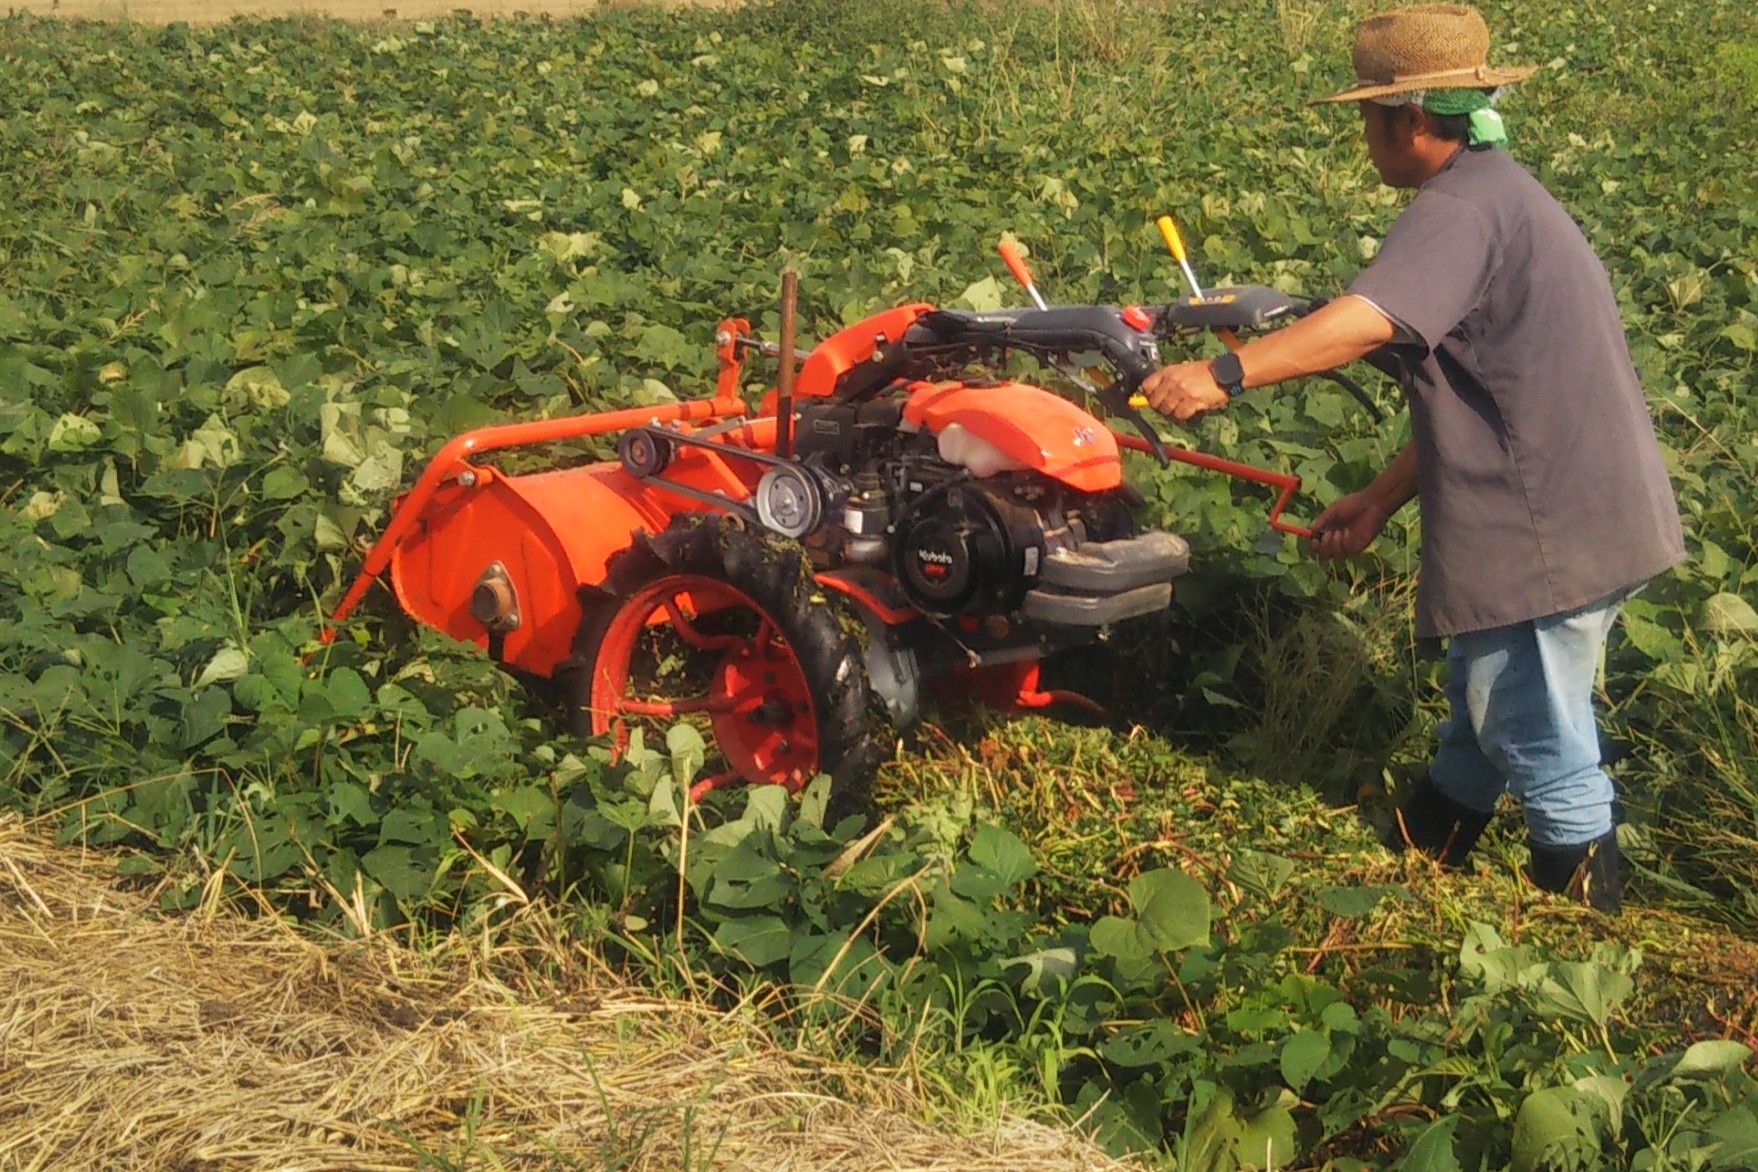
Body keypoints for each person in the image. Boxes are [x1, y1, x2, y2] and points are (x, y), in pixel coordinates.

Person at [1138, 3, 1684, 913]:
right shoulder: (1499, 190)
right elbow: (1485, 389)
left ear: (1412, 120)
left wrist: (1222, 373)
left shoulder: (1460, 211)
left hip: (1547, 533)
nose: (1365, 136)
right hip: (1575, 510)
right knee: (1483, 713)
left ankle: (1591, 964)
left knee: (1542, 739)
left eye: (1367, 116)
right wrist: (1383, 497)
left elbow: (1368, 320)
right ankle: (1416, 882)